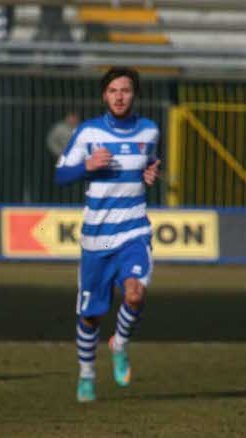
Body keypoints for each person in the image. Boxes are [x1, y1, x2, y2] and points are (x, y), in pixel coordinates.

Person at [54, 67, 161, 403]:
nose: (119, 96)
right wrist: (86, 167)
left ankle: (121, 343)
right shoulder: (88, 133)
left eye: (125, 90)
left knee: (135, 294)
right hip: (96, 239)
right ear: (104, 95)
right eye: (113, 90)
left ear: (134, 94)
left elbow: (154, 161)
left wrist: (154, 170)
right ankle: (86, 374)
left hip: (134, 230)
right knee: (90, 314)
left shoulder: (149, 130)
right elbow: (60, 175)